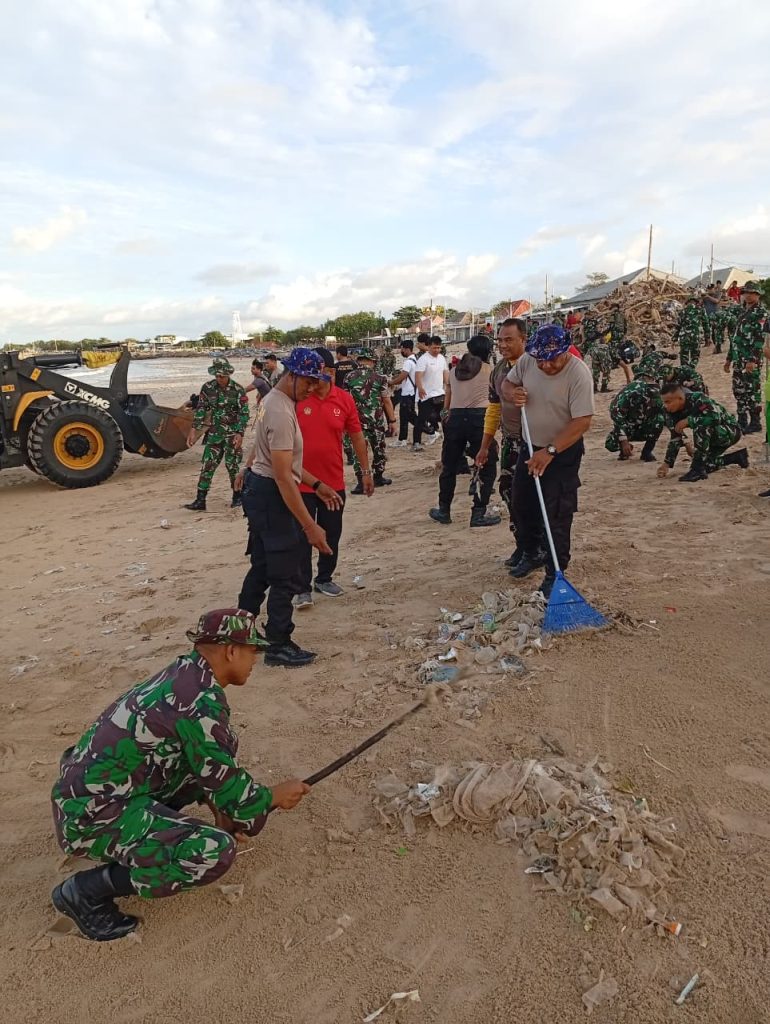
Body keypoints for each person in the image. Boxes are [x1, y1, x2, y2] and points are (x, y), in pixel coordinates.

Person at [50, 609, 310, 942]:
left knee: (221, 744)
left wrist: (221, 809)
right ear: (231, 650)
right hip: (88, 815)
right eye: (252, 651)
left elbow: (211, 769)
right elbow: (242, 800)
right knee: (212, 851)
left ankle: (144, 830)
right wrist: (274, 795)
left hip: (87, 792)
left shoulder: (185, 675)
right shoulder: (199, 701)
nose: (256, 659)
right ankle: (85, 891)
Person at [236, 348, 342, 668]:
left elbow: (281, 462)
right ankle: (278, 644)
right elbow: (283, 477)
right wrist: (310, 526)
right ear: (291, 376)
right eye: (308, 382)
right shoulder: (282, 411)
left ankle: (241, 632)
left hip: (260, 488)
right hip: (271, 493)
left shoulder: (276, 401)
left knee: (263, 567)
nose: (312, 388)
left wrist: (319, 485)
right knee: (287, 572)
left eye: (317, 382)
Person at [500, 324, 594, 597]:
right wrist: (512, 393)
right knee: (521, 502)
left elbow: (582, 422)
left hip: (562, 452)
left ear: (565, 351)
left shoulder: (579, 374)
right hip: (531, 446)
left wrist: (550, 451)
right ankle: (532, 552)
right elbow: (507, 383)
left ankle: (556, 571)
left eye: (553, 359)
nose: (547, 365)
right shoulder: (529, 360)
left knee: (557, 512)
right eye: (542, 360)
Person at [293, 348, 373, 609]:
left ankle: (324, 578)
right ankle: (302, 587)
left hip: (334, 481)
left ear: (329, 371)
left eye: (319, 373)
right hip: (301, 482)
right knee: (303, 535)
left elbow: (357, 436)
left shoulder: (344, 399)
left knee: (331, 534)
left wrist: (366, 471)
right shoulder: (297, 399)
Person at [428, 335, 501, 528]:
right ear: (487, 351)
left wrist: (445, 418)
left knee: (449, 466)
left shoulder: (454, 371)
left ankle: (444, 510)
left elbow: (447, 402)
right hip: (480, 419)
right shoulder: (490, 371)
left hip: (455, 419)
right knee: (487, 464)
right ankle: (478, 512)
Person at [475, 318, 527, 565]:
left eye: (509, 340)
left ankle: (537, 548)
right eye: (500, 340)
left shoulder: (535, 368)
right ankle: (522, 544)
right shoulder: (498, 371)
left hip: (535, 442)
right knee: (509, 492)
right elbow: (494, 410)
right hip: (511, 441)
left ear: (523, 340)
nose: (503, 345)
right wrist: (485, 446)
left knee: (534, 498)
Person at [184, 357, 249, 511]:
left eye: (222, 376)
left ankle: (237, 496)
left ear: (228, 374)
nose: (219, 379)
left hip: (232, 434)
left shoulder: (238, 390)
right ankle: (200, 500)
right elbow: (201, 408)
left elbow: (244, 413)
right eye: (217, 376)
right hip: (215, 434)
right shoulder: (207, 388)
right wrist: (194, 429)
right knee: (207, 465)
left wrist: (240, 433)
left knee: (232, 466)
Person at [658, 384, 748, 482]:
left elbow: (715, 418)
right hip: (709, 438)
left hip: (730, 432)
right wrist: (667, 463)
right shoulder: (670, 411)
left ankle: (697, 469)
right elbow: (676, 435)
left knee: (701, 426)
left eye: (668, 402)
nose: (665, 406)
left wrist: (689, 420)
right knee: (707, 465)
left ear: (680, 398)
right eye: (664, 402)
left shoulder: (699, 399)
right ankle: (736, 457)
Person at [345, 350, 396, 490]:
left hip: (356, 421)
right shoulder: (380, 377)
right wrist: (392, 421)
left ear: (359, 360)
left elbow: (345, 401)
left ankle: (361, 482)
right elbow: (386, 400)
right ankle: (378, 477)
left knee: (358, 451)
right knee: (379, 448)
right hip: (376, 421)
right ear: (372, 361)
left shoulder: (349, 377)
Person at [724, 281, 768, 434]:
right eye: (746, 292)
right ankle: (742, 420)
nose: (748, 295)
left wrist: (753, 360)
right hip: (738, 359)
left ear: (758, 294)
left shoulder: (761, 313)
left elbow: (760, 339)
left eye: (752, 292)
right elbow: (735, 338)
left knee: (751, 390)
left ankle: (755, 422)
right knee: (739, 390)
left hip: (750, 360)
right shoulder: (743, 312)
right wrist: (729, 359)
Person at [604, 372, 664, 462]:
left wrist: (684, 440)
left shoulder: (657, 396)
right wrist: (623, 440)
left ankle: (647, 452)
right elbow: (616, 413)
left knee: (659, 419)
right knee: (611, 444)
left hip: (644, 427)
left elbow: (669, 417)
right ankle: (624, 450)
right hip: (628, 426)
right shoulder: (632, 392)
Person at [414, 336, 449, 450]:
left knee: (445, 417)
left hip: (439, 393)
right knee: (422, 419)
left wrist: (448, 386)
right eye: (434, 348)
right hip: (426, 394)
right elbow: (418, 375)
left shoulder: (442, 358)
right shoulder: (423, 359)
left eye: (439, 348)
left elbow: (445, 374)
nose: (437, 350)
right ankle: (416, 442)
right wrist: (420, 388)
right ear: (428, 347)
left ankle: (448, 438)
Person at [390, 339, 419, 447]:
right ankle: (402, 439)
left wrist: (391, 382)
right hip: (411, 392)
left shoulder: (408, 362)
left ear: (406, 349)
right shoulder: (415, 360)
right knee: (407, 416)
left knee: (408, 416)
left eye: (401, 349)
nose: (401, 351)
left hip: (407, 393)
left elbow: (402, 376)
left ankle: (430, 431)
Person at [673, 297, 708, 368]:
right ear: (696, 302)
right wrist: (707, 337)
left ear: (687, 302)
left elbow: (678, 326)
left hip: (684, 337)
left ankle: (684, 371)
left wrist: (674, 339)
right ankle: (691, 370)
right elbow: (706, 324)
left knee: (684, 356)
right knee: (695, 356)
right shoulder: (700, 310)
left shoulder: (682, 312)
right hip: (695, 337)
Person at [608, 304, 633, 384]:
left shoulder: (612, 315)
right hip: (620, 338)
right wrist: (623, 335)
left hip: (614, 338)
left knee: (614, 355)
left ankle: (616, 362)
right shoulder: (623, 315)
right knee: (618, 354)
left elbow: (610, 326)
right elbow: (626, 327)